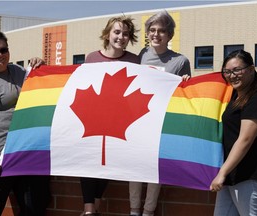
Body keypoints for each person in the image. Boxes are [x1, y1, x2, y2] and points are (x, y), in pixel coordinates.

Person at [0, 31, 51, 216]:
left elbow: (42, 88)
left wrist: (38, 66)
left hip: (25, 152)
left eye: (3, 49)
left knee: (35, 207)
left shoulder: (18, 71)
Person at [129, 10, 191, 216]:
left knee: (154, 169)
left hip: (161, 125)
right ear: (147, 33)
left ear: (169, 34)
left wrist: (186, 83)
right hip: (137, 122)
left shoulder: (180, 61)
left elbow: (186, 95)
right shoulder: (140, 56)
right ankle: (134, 210)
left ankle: (148, 211)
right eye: (152, 30)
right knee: (135, 167)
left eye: (161, 30)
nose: (156, 34)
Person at [80, 15, 140, 216]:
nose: (121, 37)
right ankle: (89, 209)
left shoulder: (135, 60)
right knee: (89, 162)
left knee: (107, 163)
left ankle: (94, 209)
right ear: (107, 34)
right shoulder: (91, 58)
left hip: (120, 121)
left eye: (125, 33)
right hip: (93, 119)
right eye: (116, 32)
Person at [210, 49, 257, 215]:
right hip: (230, 177)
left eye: (237, 70)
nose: (232, 75)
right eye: (227, 72)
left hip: (249, 176)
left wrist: (222, 173)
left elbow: (245, 139)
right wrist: (185, 82)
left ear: (251, 69)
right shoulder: (234, 95)